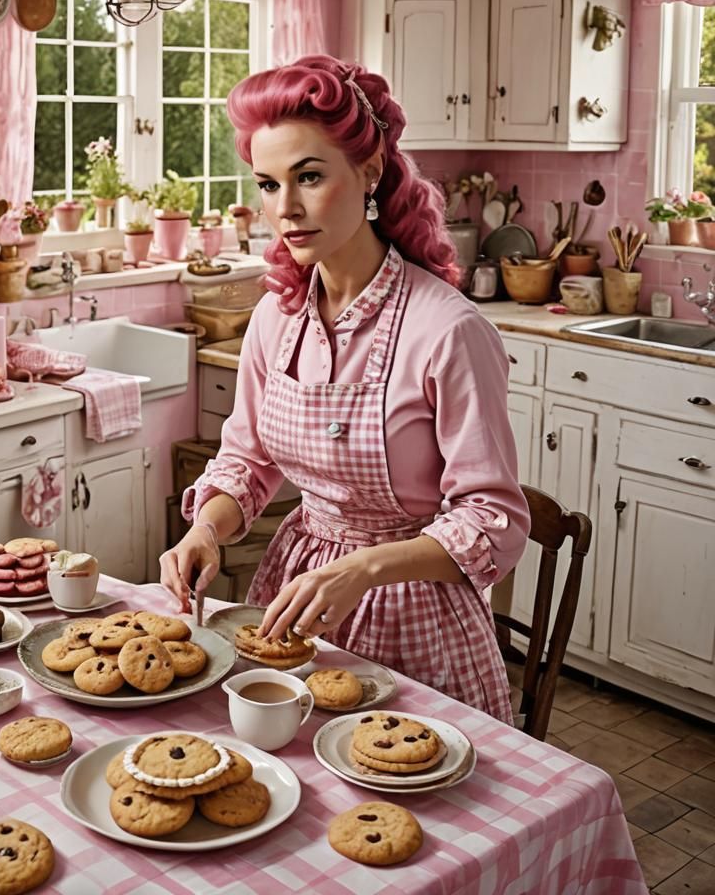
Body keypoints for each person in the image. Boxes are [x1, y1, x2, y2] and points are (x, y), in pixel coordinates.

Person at [159, 55, 530, 723]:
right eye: (268, 185)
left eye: (308, 177)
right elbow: (247, 459)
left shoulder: (446, 329)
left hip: (415, 613)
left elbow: (493, 522)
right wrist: (206, 531)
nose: (285, 210)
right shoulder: (277, 318)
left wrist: (362, 568)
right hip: (297, 602)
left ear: (370, 172)